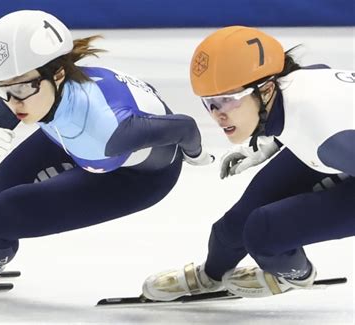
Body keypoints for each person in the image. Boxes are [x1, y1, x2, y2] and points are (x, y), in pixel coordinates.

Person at [0, 10, 213, 292]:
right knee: (1, 182)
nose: (13, 104)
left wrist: (197, 155)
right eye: (3, 90)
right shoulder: (37, 86)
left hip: (139, 178)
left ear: (57, 75)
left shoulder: (107, 133)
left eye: (22, 89)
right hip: (79, 136)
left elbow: (184, 127)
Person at [142, 25, 354, 300]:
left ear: (266, 90)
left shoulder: (328, 140)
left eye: (228, 100)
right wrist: (272, 141)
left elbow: (325, 127)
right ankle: (212, 275)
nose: (217, 115)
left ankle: (298, 275)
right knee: (233, 227)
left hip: (338, 145)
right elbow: (321, 72)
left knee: (265, 232)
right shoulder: (291, 86)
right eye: (210, 103)